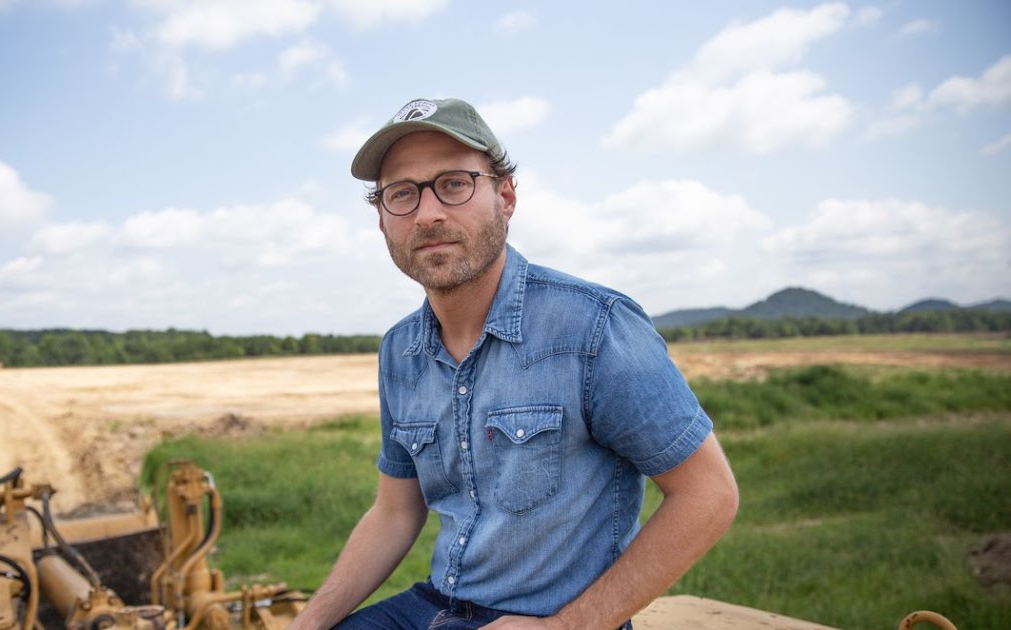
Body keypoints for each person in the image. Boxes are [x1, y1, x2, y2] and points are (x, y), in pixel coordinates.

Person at [290, 98, 739, 630]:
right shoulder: (399, 351)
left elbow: (708, 494)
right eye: (402, 194)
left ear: (505, 196)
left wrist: (562, 628)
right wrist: (307, 624)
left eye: (454, 184)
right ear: (383, 219)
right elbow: (395, 512)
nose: (429, 213)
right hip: (434, 607)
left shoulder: (594, 327)